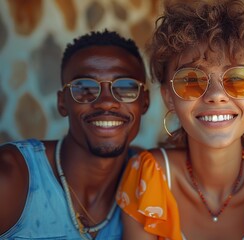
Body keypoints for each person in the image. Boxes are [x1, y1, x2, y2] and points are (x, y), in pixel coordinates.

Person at [115, 1, 244, 239]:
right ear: (169, 98)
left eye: (237, 79)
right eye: (191, 80)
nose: (216, 95)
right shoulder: (148, 176)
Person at [0, 30, 150, 239]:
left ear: (144, 101)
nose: (106, 101)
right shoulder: (12, 177)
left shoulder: (148, 177)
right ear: (63, 102)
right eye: (84, 87)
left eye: (125, 87)